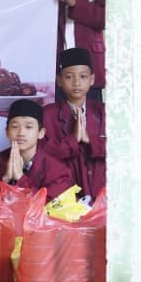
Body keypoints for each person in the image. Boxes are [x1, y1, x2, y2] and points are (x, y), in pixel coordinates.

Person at [42, 48, 105, 203]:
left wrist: (90, 140)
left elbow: (122, 150)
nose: (77, 83)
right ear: (59, 80)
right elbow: (42, 156)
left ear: (92, 79)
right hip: (65, 193)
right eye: (69, 77)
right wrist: (73, 139)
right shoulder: (47, 114)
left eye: (83, 76)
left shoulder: (104, 111)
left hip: (102, 190)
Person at [0, 99, 74, 197]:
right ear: (7, 132)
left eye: (29, 127)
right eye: (15, 126)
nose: (21, 133)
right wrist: (5, 181)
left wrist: (20, 179)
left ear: (41, 133)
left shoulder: (58, 171)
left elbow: (50, 207)